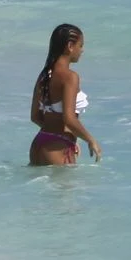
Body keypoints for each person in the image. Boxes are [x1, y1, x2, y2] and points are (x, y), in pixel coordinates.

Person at [29, 23, 100, 165]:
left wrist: (67, 137)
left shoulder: (44, 75)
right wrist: (90, 140)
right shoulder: (70, 77)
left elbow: (35, 117)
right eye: (80, 45)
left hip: (39, 144)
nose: (82, 50)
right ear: (70, 46)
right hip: (56, 150)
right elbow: (69, 119)